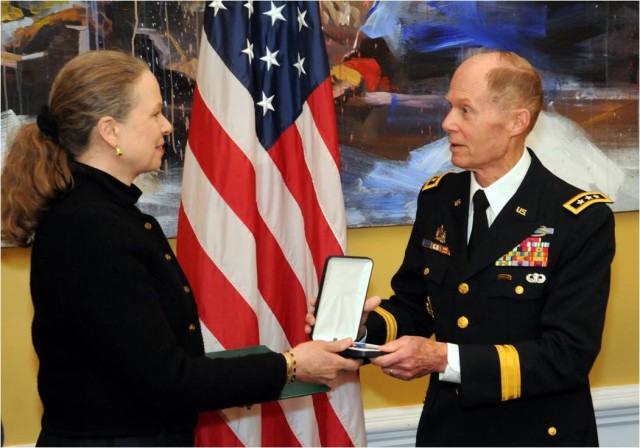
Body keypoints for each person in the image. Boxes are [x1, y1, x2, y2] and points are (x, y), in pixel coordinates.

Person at [0, 50, 361, 447]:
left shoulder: (104, 213)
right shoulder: (94, 227)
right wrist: (290, 366)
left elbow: (153, 362)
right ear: (110, 131)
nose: (167, 126)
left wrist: (283, 364)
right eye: (154, 114)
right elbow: (169, 381)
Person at [360, 50, 615, 446]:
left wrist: (443, 359)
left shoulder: (578, 219)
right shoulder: (439, 198)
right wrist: (365, 328)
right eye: (450, 107)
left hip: (533, 434)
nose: (447, 123)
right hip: (447, 431)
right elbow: (416, 304)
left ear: (517, 121)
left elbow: (567, 356)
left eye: (465, 110)